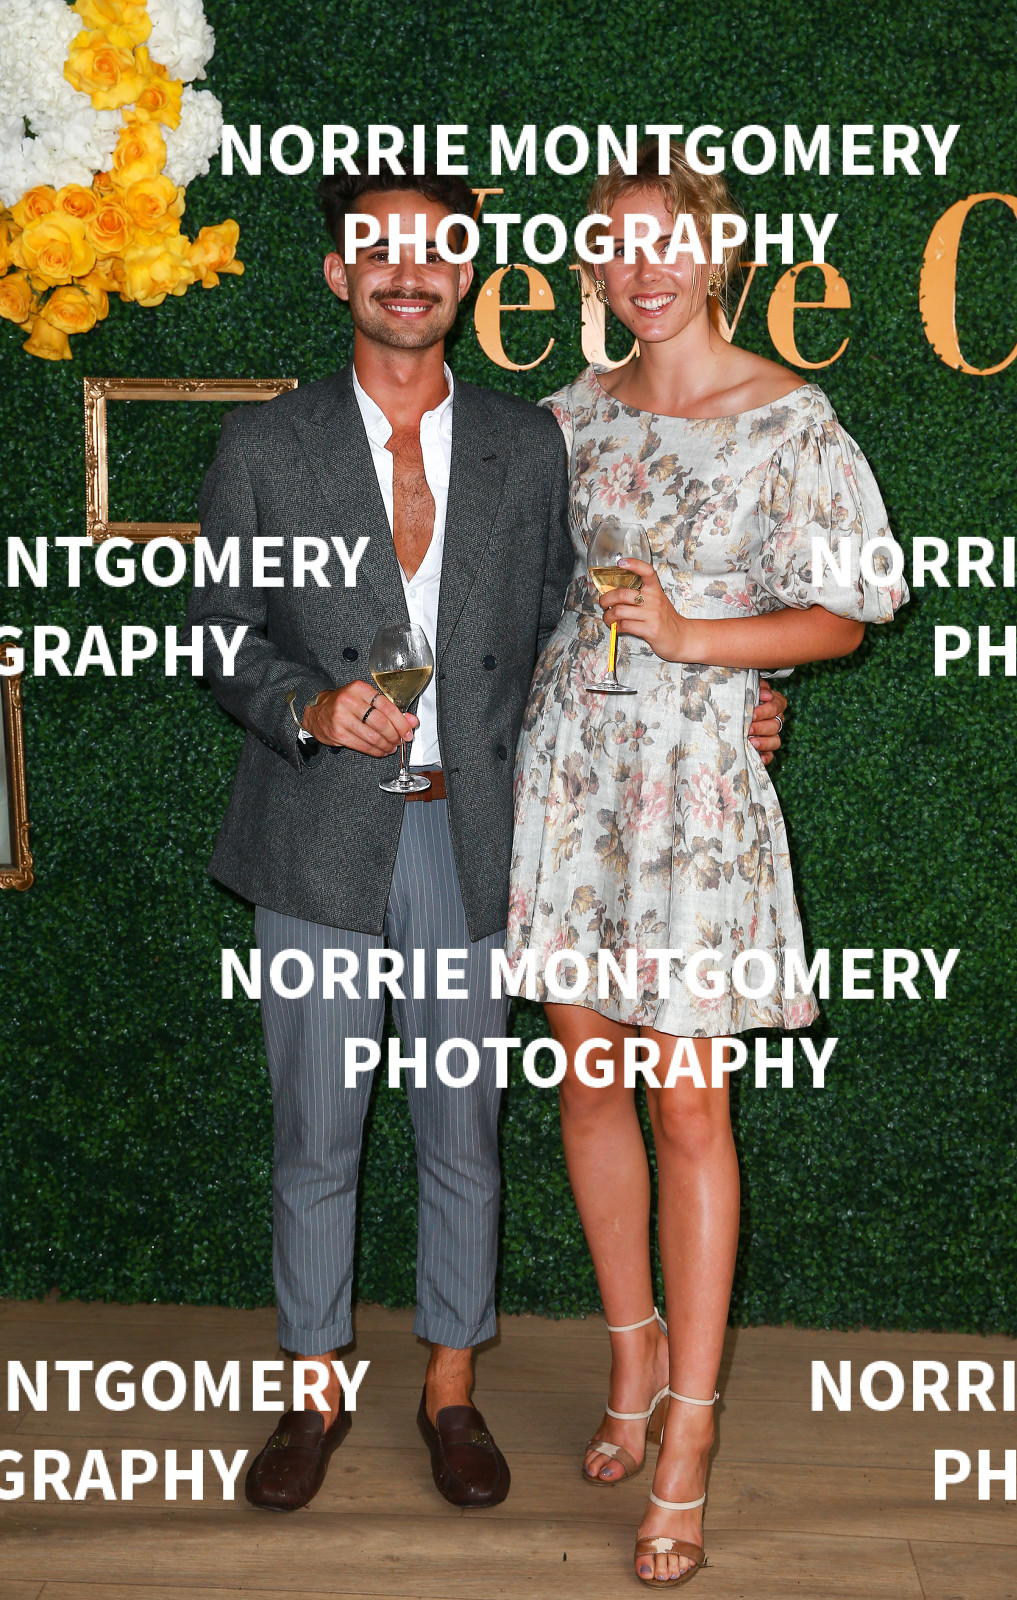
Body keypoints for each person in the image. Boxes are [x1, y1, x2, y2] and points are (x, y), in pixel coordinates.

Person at [187, 164, 785, 1517]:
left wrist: (736, 694)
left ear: (465, 274)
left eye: (436, 249)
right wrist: (306, 706)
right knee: (316, 1131)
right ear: (339, 273)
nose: (409, 271)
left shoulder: (532, 444)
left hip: (480, 842)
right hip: (314, 842)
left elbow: (591, 624)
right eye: (378, 249)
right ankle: (314, 1388)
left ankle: (450, 1390)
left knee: (463, 1129)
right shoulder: (265, 444)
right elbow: (220, 636)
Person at [505, 141, 907, 1585]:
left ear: (715, 250)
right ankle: (628, 1365)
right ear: (594, 266)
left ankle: (688, 1429)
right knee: (588, 1081)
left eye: (667, 238)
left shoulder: (787, 420)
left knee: (687, 1103)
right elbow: (528, 597)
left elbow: (845, 616)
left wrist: (705, 646)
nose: (644, 268)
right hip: (571, 779)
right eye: (618, 244)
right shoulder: (566, 417)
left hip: (693, 796)